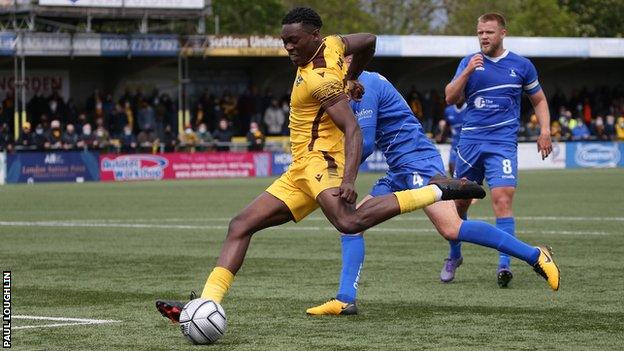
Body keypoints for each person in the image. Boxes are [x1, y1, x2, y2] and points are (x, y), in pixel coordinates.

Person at [155, 7, 485, 323]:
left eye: (294, 41)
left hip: (321, 162)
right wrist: (351, 76)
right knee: (240, 225)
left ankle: (435, 190)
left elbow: (352, 130)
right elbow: (369, 39)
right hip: (300, 168)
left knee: (349, 222)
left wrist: (350, 180)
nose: (288, 47)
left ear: (314, 36)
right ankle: (208, 302)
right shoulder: (334, 45)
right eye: (284, 41)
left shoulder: (320, 80)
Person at [306, 70, 560, 315]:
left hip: (418, 162)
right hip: (398, 168)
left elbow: (367, 143)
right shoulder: (349, 86)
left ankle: (536, 255)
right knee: (351, 225)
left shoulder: (366, 83)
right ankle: (345, 300)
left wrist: (331, 170)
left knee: (451, 227)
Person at [443, 13, 553, 287]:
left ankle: (504, 266)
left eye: (489, 32)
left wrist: (545, 130)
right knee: (459, 204)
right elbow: (450, 97)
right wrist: (468, 71)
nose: (484, 37)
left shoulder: (521, 65)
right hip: (469, 144)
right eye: (480, 32)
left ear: (503, 33)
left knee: (503, 200)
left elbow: (538, 100)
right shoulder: (468, 62)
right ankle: (454, 255)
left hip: (502, 144)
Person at [444, 103, 466, 176]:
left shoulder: (469, 109)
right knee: (451, 166)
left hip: (467, 145)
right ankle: (455, 186)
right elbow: (447, 125)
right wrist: (442, 136)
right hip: (455, 144)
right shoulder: (448, 110)